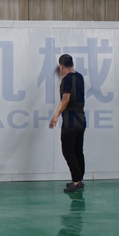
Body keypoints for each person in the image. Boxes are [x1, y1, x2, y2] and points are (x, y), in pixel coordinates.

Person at [49, 54, 87, 193]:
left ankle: (76, 181)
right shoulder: (80, 77)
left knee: (67, 151)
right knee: (78, 150)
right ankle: (79, 179)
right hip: (81, 119)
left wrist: (56, 115)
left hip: (70, 121)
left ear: (62, 66)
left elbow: (65, 99)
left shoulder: (66, 80)